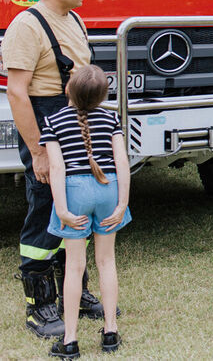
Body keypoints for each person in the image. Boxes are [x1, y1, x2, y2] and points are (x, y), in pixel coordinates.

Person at [1, 0, 105, 338]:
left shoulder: (73, 19)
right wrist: (40, 153)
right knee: (46, 206)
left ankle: (74, 294)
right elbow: (16, 92)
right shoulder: (27, 26)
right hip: (45, 123)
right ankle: (39, 304)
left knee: (76, 203)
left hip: (73, 119)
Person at [42, 65, 130, 358]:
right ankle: (110, 331)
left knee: (74, 266)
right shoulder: (111, 118)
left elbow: (57, 167)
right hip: (108, 187)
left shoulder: (53, 121)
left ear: (68, 89)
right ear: (104, 95)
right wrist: (121, 204)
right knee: (106, 261)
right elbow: (122, 163)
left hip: (74, 191)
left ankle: (69, 340)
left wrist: (62, 209)